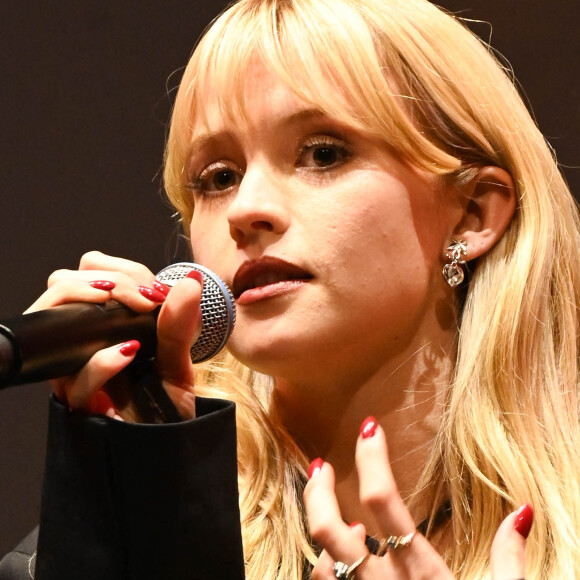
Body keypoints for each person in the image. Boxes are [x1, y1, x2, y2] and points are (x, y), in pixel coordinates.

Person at [1, 0, 579, 578]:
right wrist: (135, 508)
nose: (246, 210)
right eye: (219, 178)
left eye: (323, 153)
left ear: (473, 214)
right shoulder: (139, 524)